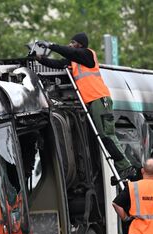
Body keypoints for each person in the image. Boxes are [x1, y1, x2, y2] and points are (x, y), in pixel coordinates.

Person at [35, 32, 135, 180]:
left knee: (106, 134)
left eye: (73, 42)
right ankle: (122, 166)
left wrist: (51, 45)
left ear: (80, 45)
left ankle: (125, 166)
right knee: (103, 135)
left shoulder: (88, 55)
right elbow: (56, 64)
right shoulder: (74, 61)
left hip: (99, 98)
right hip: (93, 100)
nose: (70, 45)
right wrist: (40, 59)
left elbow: (72, 52)